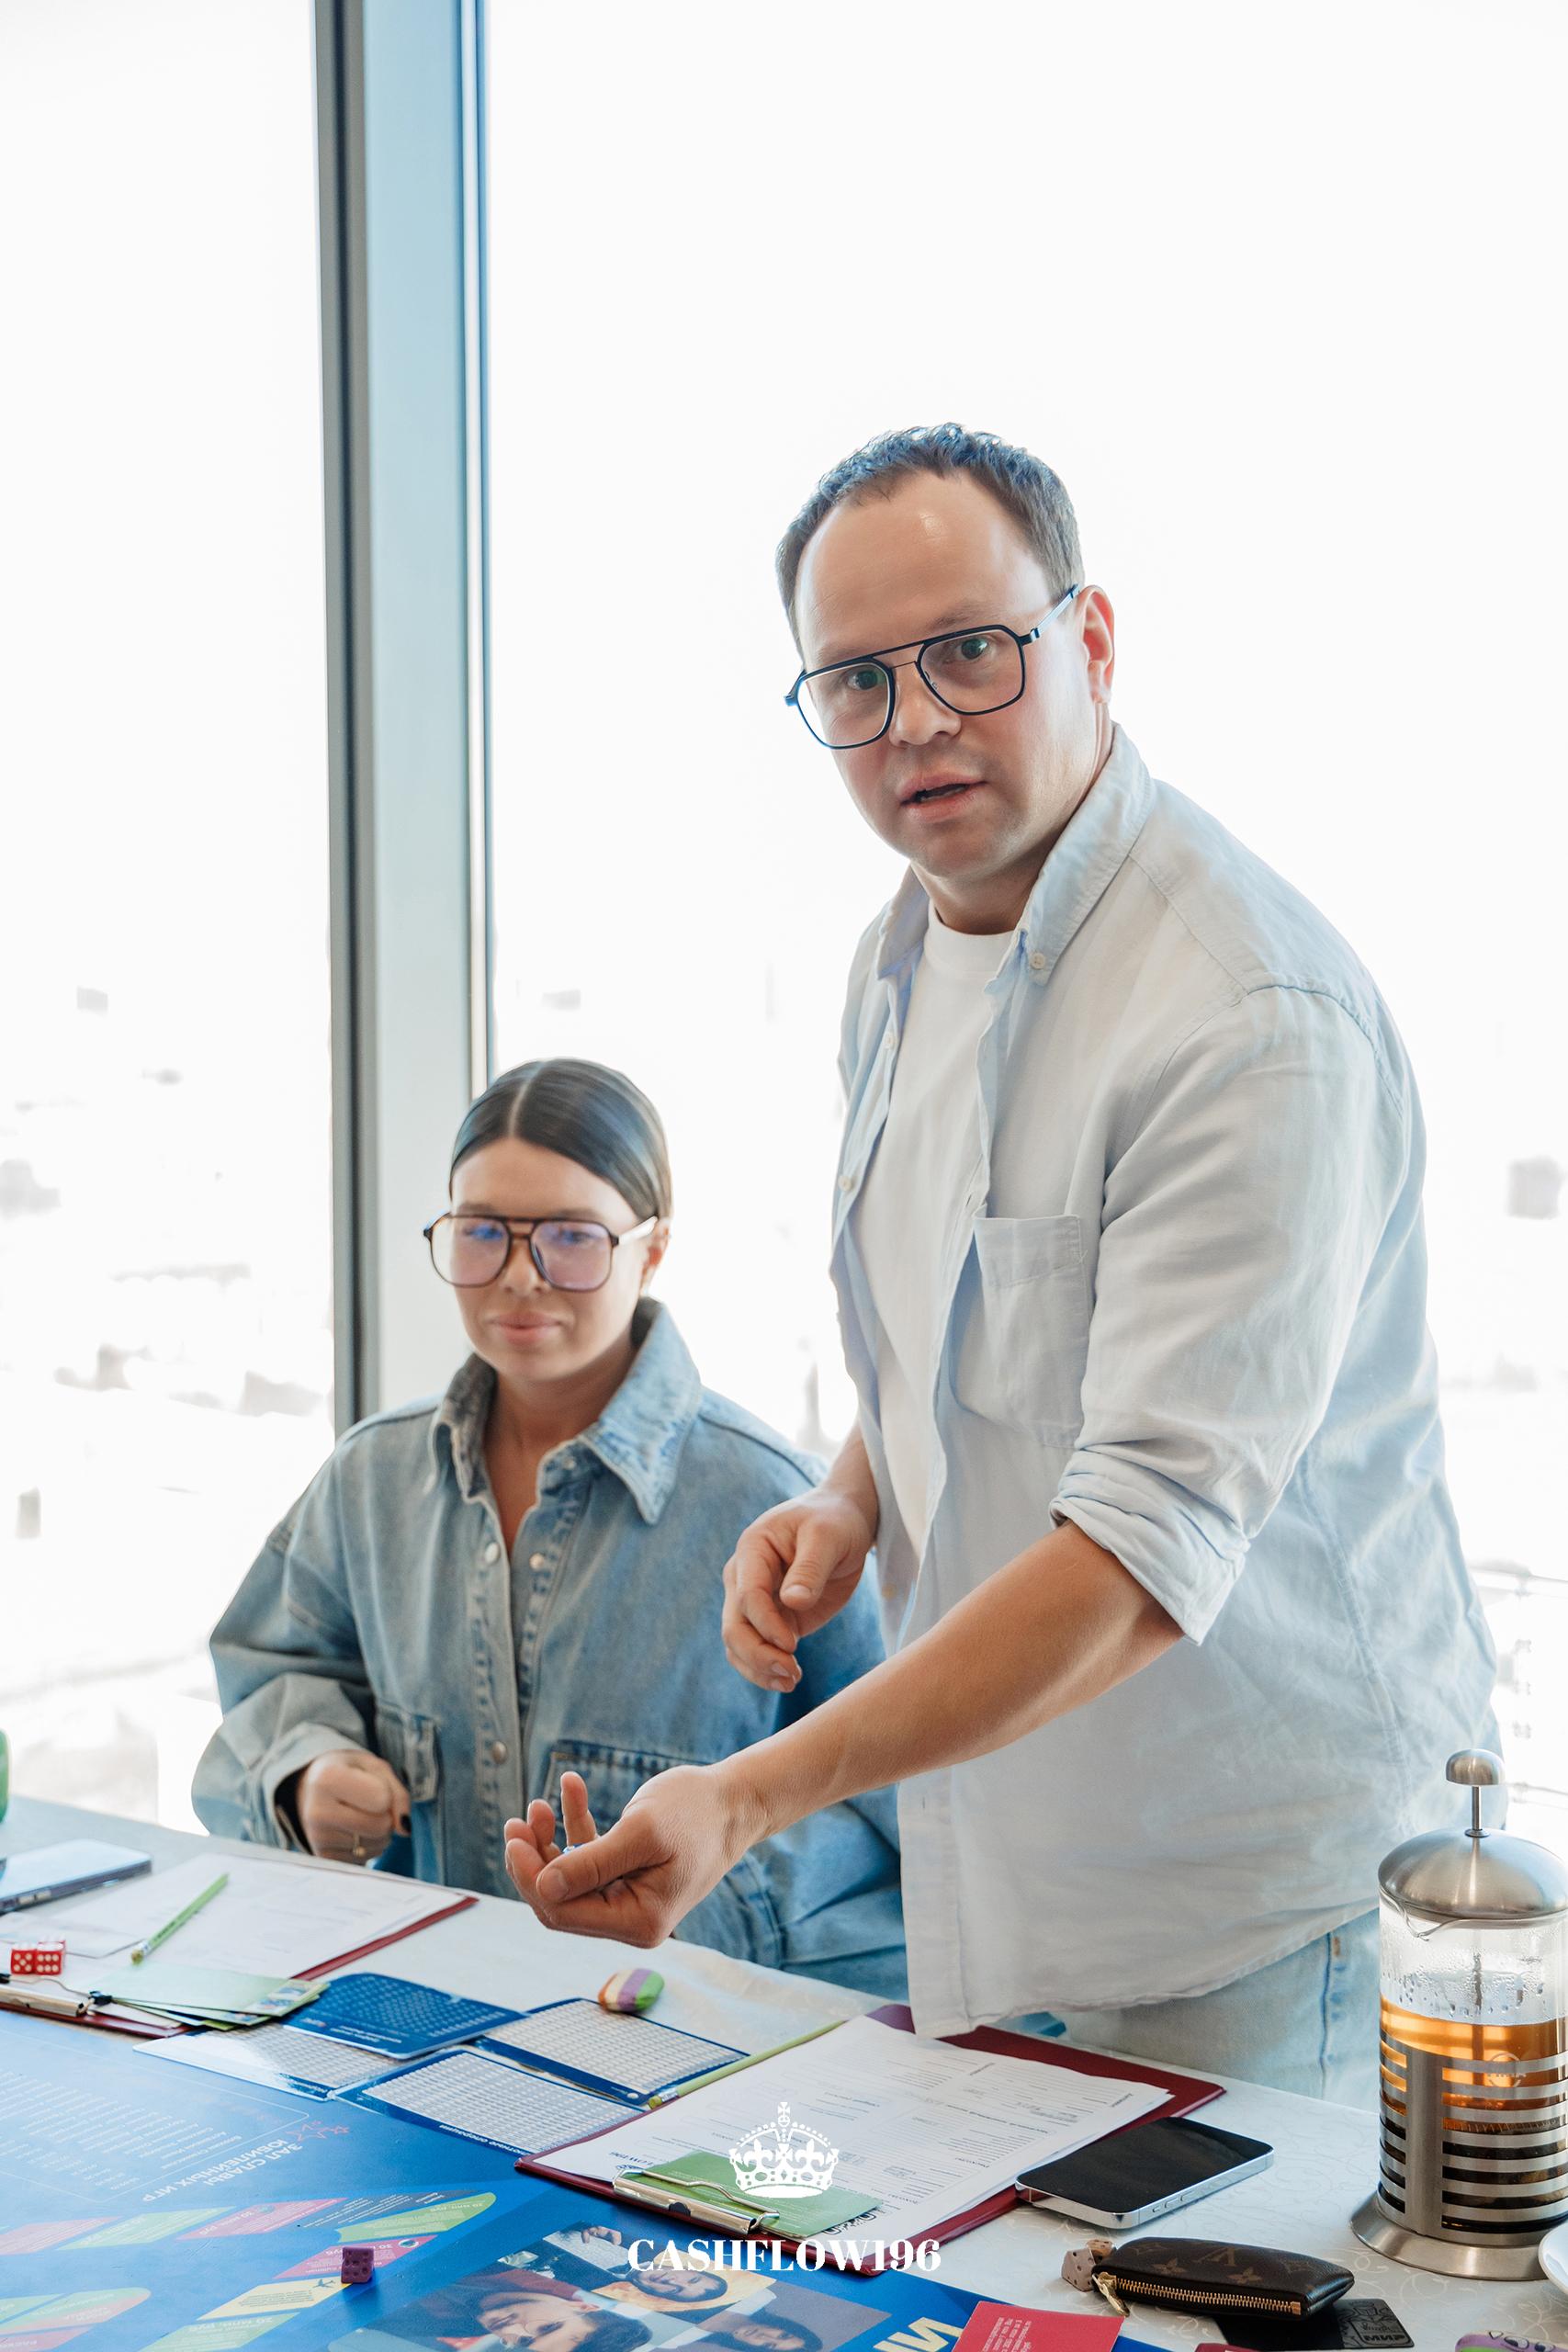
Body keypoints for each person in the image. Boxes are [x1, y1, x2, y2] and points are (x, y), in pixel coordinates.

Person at [502, 425, 1497, 2100]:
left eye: (969, 650)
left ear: (1088, 639)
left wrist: (751, 1795)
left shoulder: (1242, 1015)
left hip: (1250, 1926)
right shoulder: (894, 961)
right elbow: (975, 1324)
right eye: (856, 681)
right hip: (998, 1884)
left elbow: (1136, 1556)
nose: (916, 722)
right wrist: (854, 1498)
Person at [193, 1057, 904, 1993]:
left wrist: (723, 1891)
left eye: (571, 1237)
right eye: (482, 1232)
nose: (520, 1277)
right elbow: (274, 1671)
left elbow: (901, 1794)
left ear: (652, 1250)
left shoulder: (770, 1500)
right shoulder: (370, 1479)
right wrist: (306, 1772)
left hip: (695, 2035)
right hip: (423, 2016)